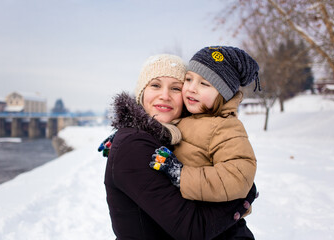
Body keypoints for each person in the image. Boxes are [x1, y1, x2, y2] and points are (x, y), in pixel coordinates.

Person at [100, 54, 258, 240]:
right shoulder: (133, 144)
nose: (165, 96)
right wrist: (244, 198)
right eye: (155, 85)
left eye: (176, 88)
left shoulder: (170, 136)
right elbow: (192, 229)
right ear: (141, 93)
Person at [149, 46, 259, 203]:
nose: (191, 88)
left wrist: (181, 175)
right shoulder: (187, 116)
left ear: (223, 94)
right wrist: (128, 139)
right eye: (188, 79)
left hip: (216, 224)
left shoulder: (226, 127)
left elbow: (238, 177)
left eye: (204, 84)